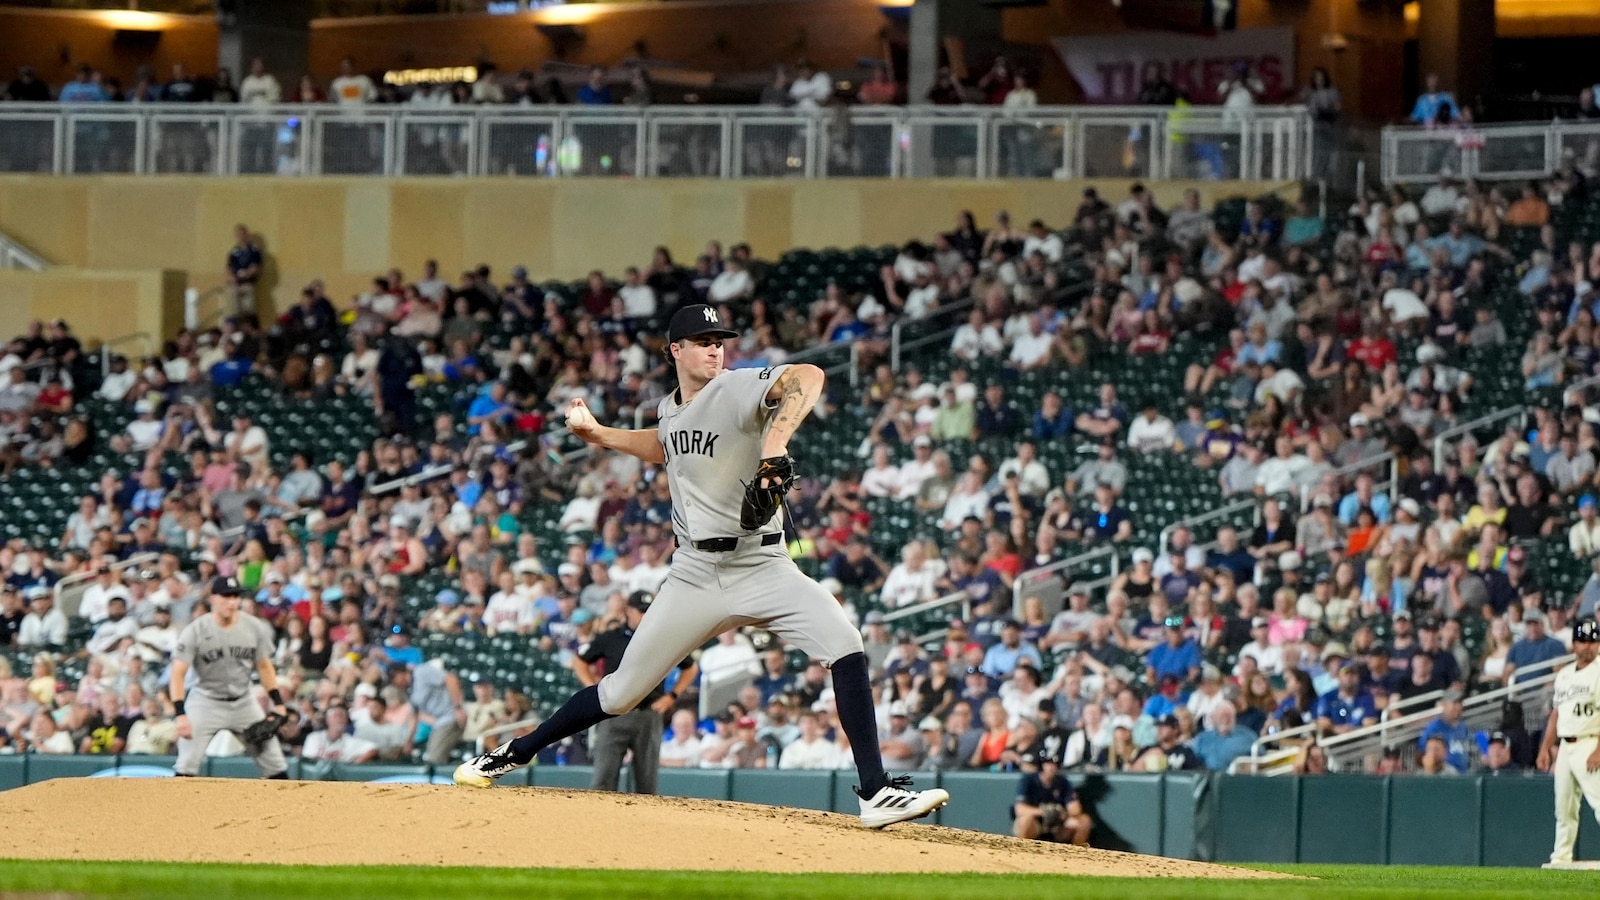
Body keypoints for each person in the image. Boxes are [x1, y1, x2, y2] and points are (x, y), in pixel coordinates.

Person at [454, 304, 949, 828]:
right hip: (694, 573)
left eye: (719, 341)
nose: (715, 349)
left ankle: (874, 792)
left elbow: (808, 375)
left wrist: (774, 443)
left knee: (846, 644)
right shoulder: (670, 409)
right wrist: (600, 435)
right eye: (703, 341)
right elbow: (664, 445)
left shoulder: (733, 388)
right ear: (676, 350)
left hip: (762, 563)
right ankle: (512, 753)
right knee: (621, 692)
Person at [574, 590, 697, 795]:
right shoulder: (611, 637)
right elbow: (579, 661)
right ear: (628, 611)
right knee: (602, 780)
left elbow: (690, 667)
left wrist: (672, 696)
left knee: (647, 784)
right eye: (641, 611)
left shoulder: (662, 637)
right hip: (614, 714)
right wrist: (593, 688)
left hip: (648, 713)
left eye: (649, 611)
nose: (645, 615)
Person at [169, 576, 289, 778]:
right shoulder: (196, 630)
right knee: (186, 764)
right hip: (205, 701)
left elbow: (264, 666)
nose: (232, 602)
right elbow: (177, 673)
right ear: (213, 599)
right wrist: (180, 714)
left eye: (235, 596)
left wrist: (278, 703)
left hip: (244, 701)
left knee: (275, 764)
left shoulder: (253, 626)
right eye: (226, 597)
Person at [1538, 618, 1600, 869]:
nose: (1587, 646)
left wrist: (1599, 750)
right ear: (1573, 644)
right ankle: (1561, 857)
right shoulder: (1564, 674)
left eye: (1592, 641)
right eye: (1582, 641)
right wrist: (1545, 748)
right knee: (1563, 806)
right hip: (1566, 745)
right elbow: (1557, 713)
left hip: (1590, 741)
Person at [1011, 757, 1091, 845]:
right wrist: (1044, 812)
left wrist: (1062, 813)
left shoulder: (1063, 782)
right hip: (1037, 823)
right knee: (1025, 820)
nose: (1051, 767)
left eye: (1054, 764)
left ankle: (1076, 851)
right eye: (1048, 764)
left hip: (1057, 825)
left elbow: (1075, 809)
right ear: (1041, 765)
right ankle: (1023, 849)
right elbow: (1020, 809)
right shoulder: (1028, 781)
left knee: (1084, 820)